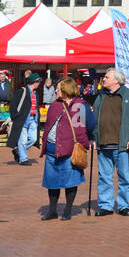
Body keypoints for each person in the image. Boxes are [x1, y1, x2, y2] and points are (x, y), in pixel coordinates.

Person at [39, 77, 95, 221]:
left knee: (70, 181)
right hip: (52, 150)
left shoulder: (79, 106)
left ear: (65, 90)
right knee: (52, 181)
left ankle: (68, 210)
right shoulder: (55, 105)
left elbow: (87, 126)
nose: (56, 90)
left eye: (58, 88)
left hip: (70, 150)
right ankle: (52, 210)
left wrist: (86, 141)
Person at [91, 68, 129, 217]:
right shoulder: (100, 96)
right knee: (104, 177)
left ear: (116, 80)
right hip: (103, 143)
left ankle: (123, 205)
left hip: (122, 144)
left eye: (107, 77)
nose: (104, 79)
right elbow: (94, 118)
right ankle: (106, 205)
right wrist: (93, 137)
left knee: (124, 177)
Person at [7, 73, 43, 166]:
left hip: (33, 120)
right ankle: (23, 159)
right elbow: (13, 105)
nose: (39, 83)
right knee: (22, 141)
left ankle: (18, 151)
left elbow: (36, 107)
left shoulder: (35, 93)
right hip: (22, 120)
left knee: (34, 139)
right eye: (38, 82)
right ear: (34, 82)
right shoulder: (21, 91)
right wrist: (16, 117)